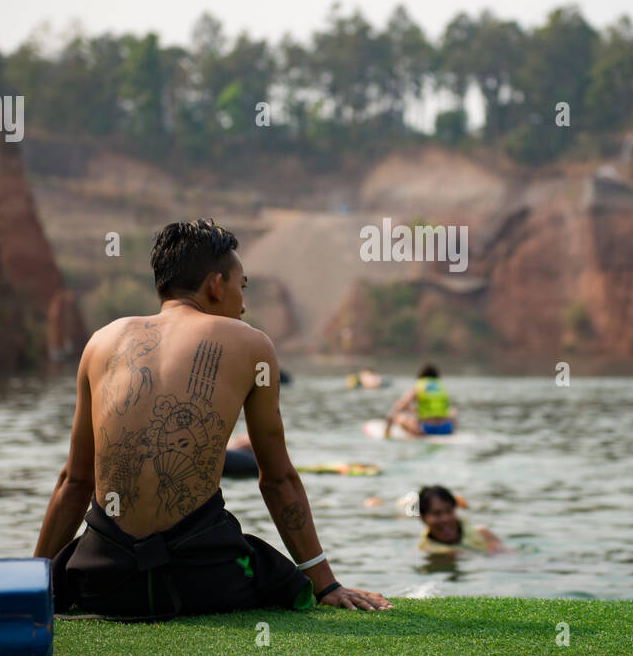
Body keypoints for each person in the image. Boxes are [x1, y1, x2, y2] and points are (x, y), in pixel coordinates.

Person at [34, 219, 391, 616]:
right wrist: (327, 583)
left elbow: (75, 480)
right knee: (274, 572)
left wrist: (29, 584)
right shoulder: (251, 343)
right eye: (243, 286)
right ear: (215, 285)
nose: (243, 302)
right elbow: (277, 479)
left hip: (103, 581)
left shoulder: (101, 341)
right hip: (204, 580)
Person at [416, 485, 505, 554]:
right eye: (436, 514)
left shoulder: (483, 533)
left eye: (449, 511)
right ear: (423, 518)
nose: (445, 519)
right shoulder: (425, 550)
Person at [384, 364, 456, 437]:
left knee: (398, 417)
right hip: (445, 428)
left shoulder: (419, 384)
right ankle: (451, 433)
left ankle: (387, 433)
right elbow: (436, 409)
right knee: (453, 411)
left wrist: (389, 421)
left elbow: (399, 406)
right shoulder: (440, 386)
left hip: (426, 429)